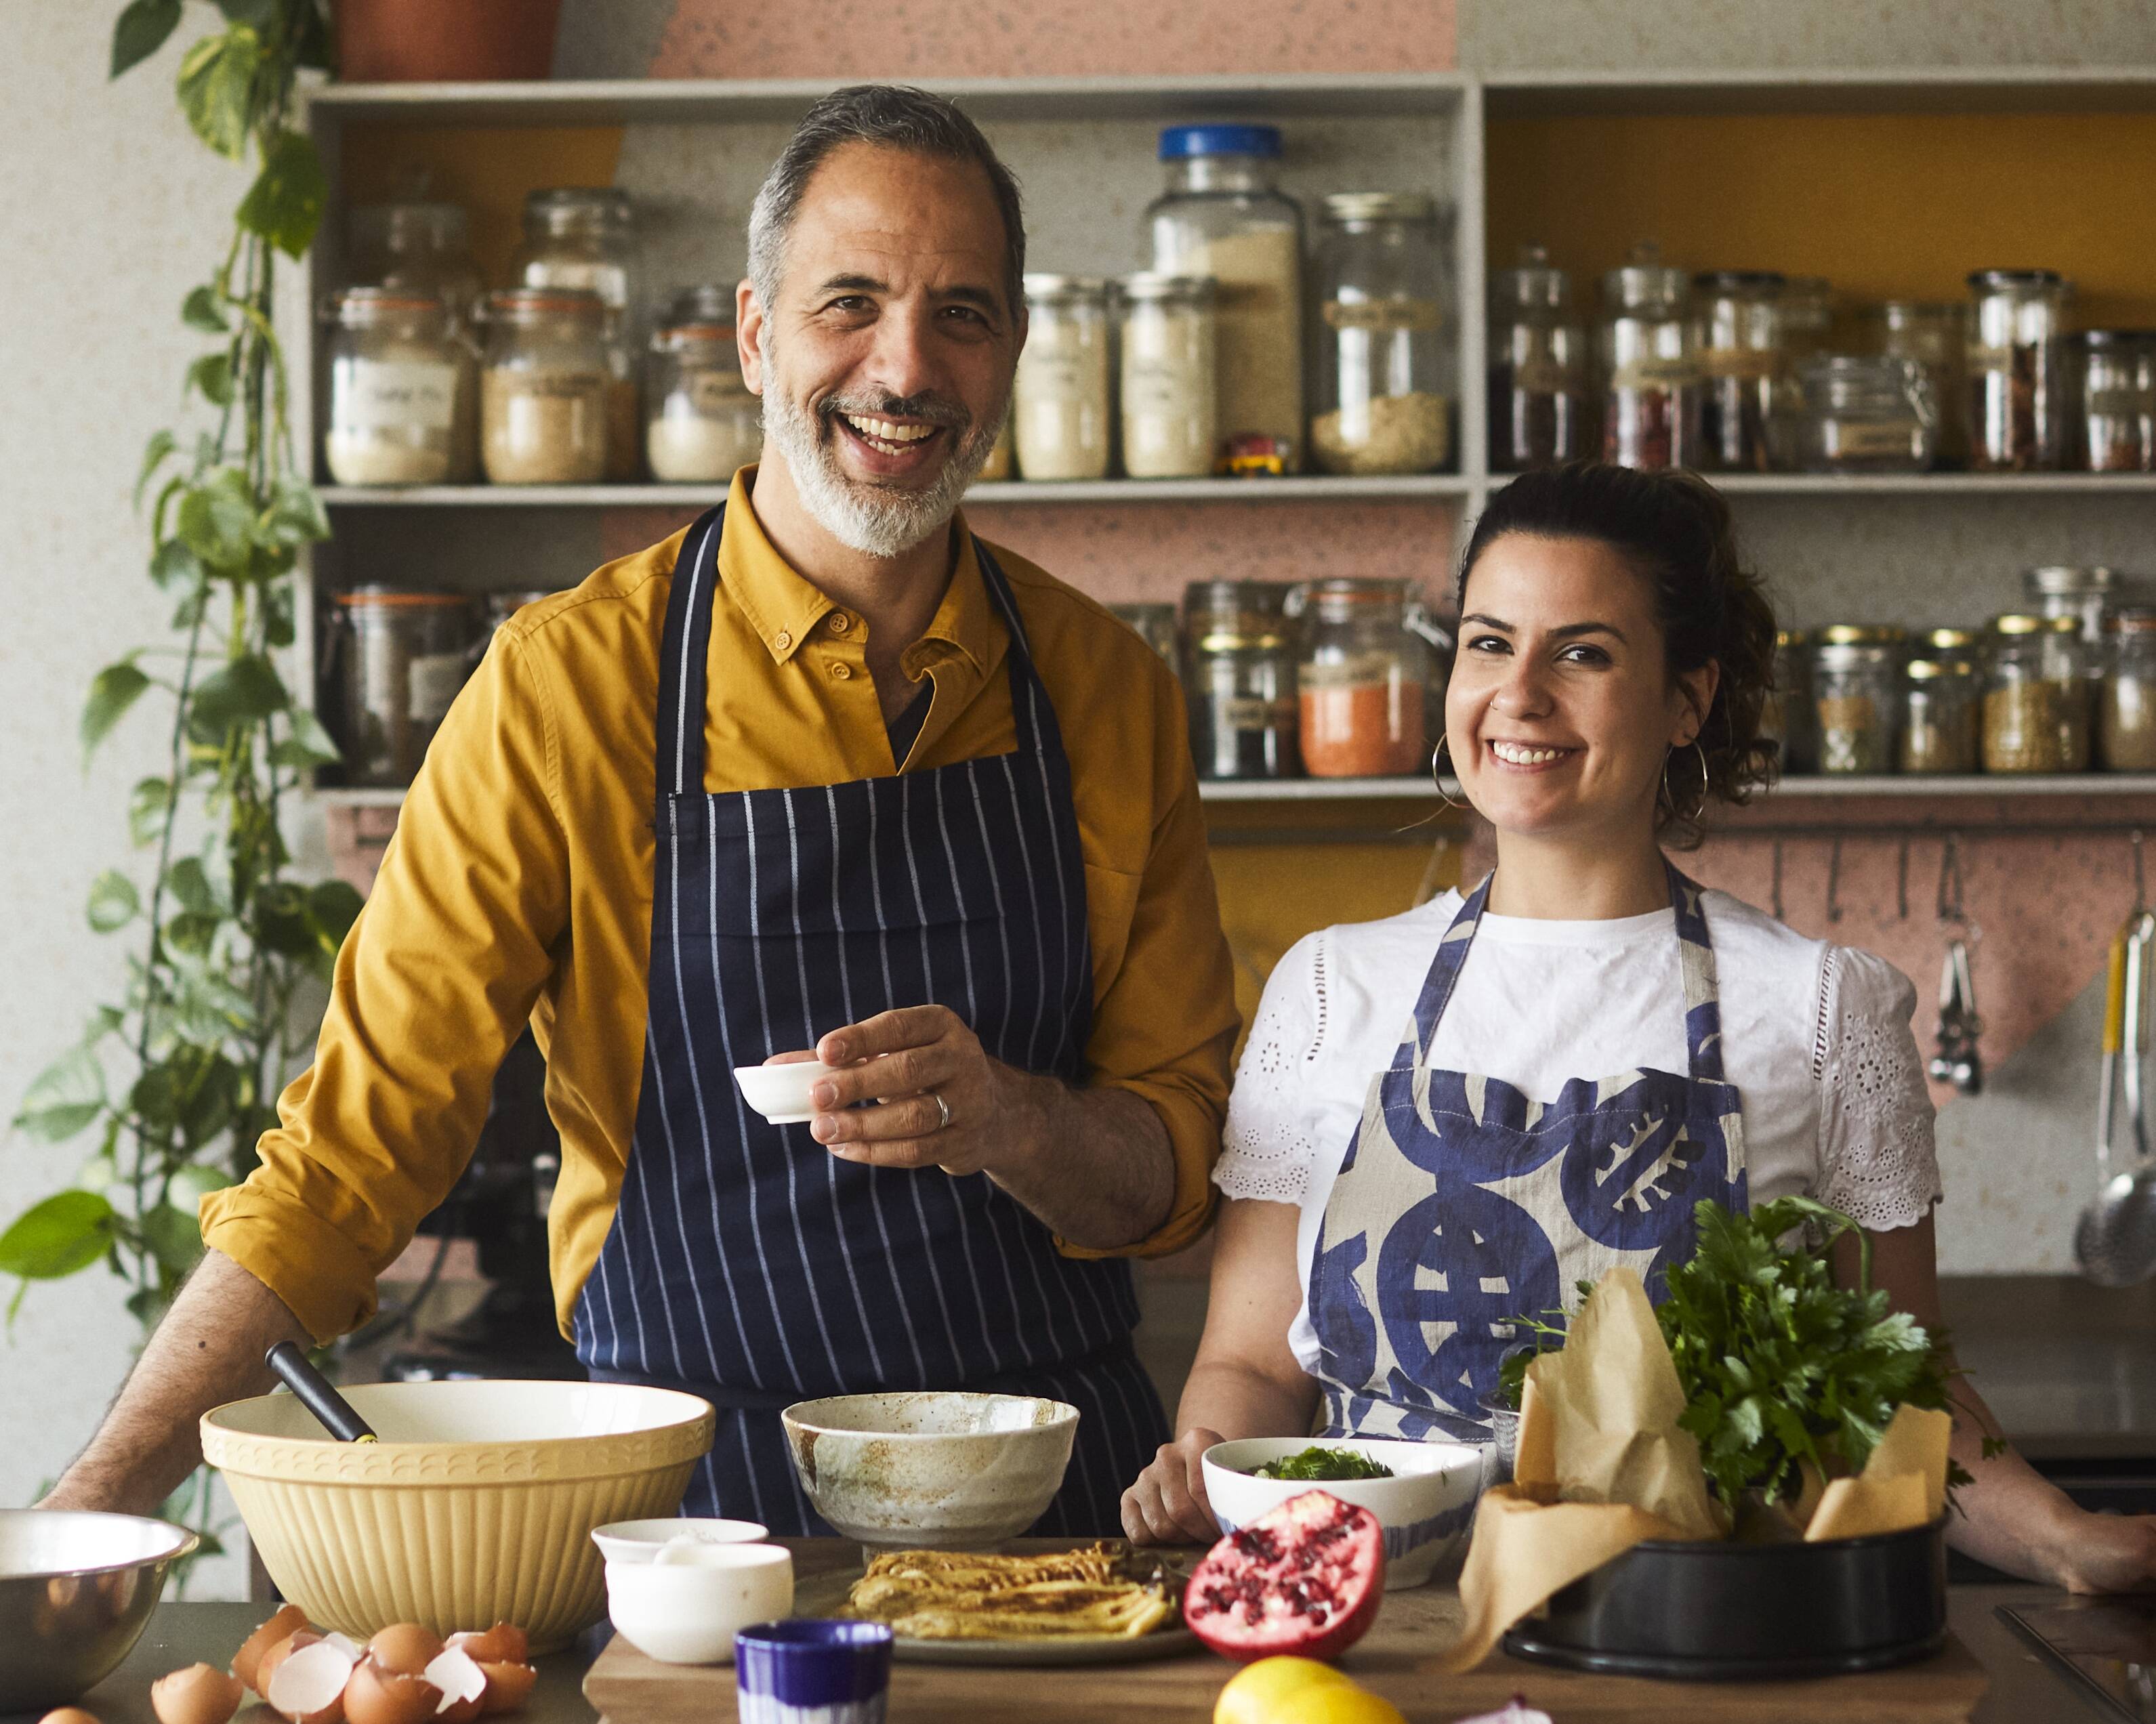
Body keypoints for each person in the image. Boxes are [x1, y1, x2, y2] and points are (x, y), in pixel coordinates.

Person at [43, 84, 1237, 1536]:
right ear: (752, 335)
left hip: (1057, 1512)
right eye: (847, 303)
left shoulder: (1107, 687)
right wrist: (93, 1516)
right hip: (694, 1512)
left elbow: (1171, 1165)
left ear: (1013, 351)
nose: (904, 366)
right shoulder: (569, 686)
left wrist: (1012, 1122)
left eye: (963, 314)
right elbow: (352, 1163)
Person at [1121, 461, 2156, 1591]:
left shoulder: (1819, 1009)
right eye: (1485, 641)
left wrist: (2068, 1537)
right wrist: (1204, 1463)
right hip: (1383, 1628)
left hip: (1686, 1638)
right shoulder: (1330, 988)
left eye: (1581, 652)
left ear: (1686, 700)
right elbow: (1251, 1366)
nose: (1518, 693)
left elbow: (1893, 1395)